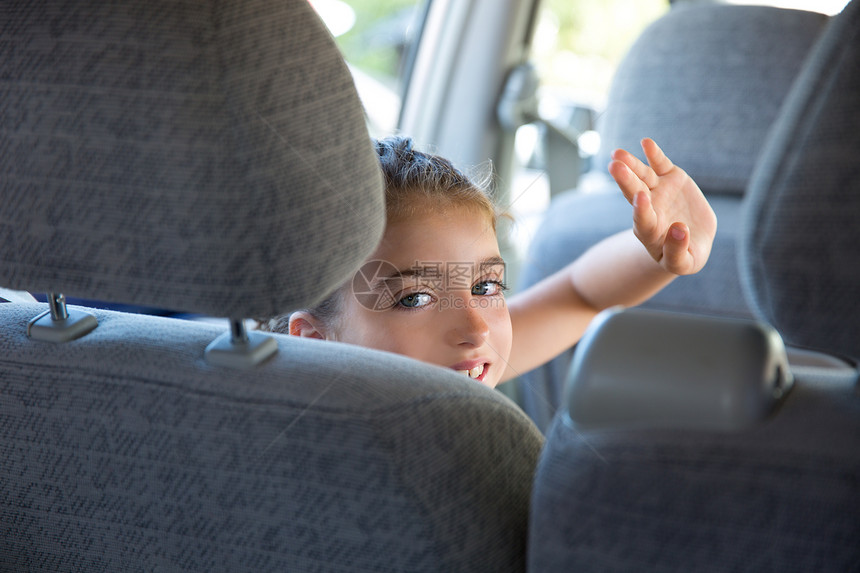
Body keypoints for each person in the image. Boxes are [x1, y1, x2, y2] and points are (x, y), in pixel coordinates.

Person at [261, 136, 717, 388]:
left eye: (485, 288)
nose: (477, 329)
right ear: (316, 342)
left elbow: (582, 292)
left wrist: (660, 254)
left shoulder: (455, 360)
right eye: (415, 297)